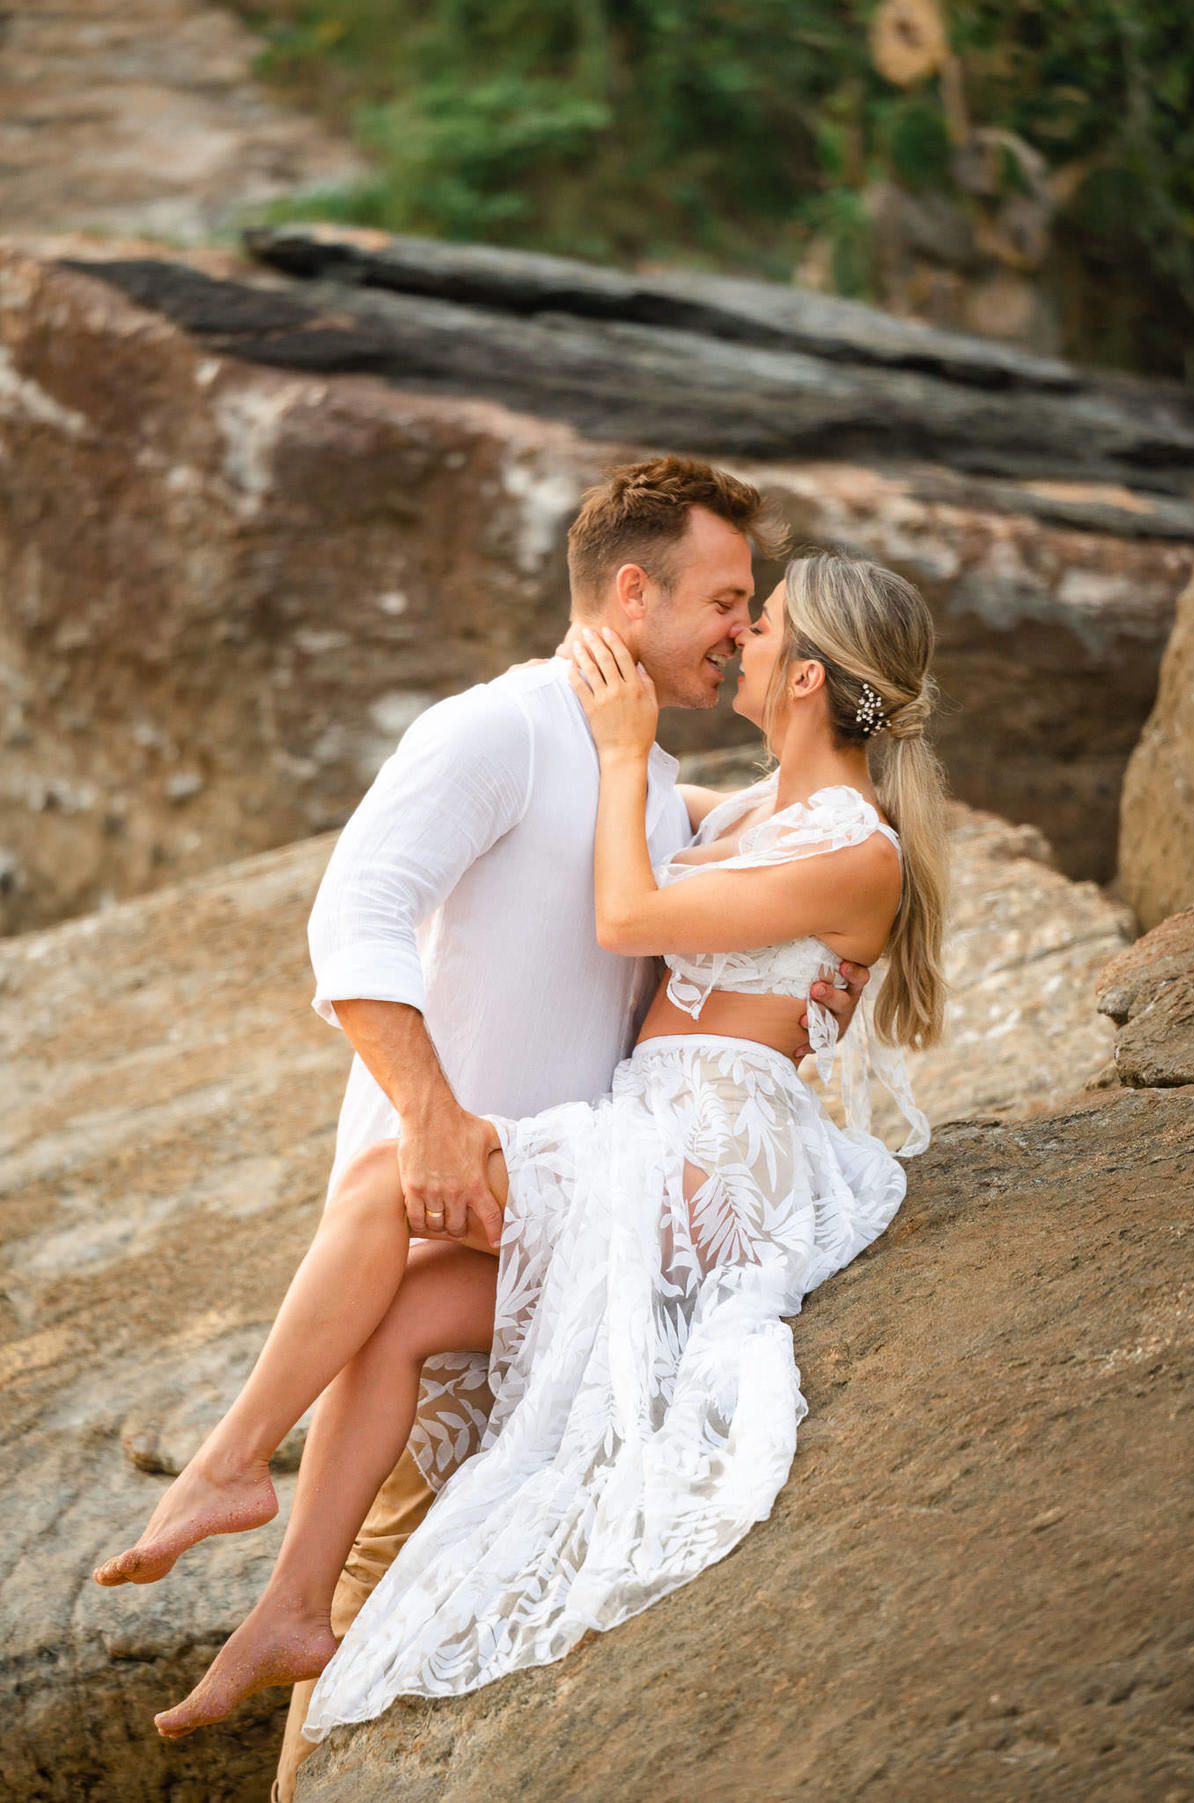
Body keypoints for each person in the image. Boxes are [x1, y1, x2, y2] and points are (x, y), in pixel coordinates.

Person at [93, 459, 868, 1794]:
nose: (740, 629)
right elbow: (354, 917)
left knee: (399, 1602)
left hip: (559, 1237)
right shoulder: (496, 728)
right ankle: (248, 1527)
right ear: (633, 594)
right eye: (723, 601)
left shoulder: (648, 773)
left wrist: (824, 961)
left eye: (755, 612)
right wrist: (434, 1119)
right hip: (442, 1209)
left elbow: (752, 873)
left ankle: (266, 1571)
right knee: (375, 1581)